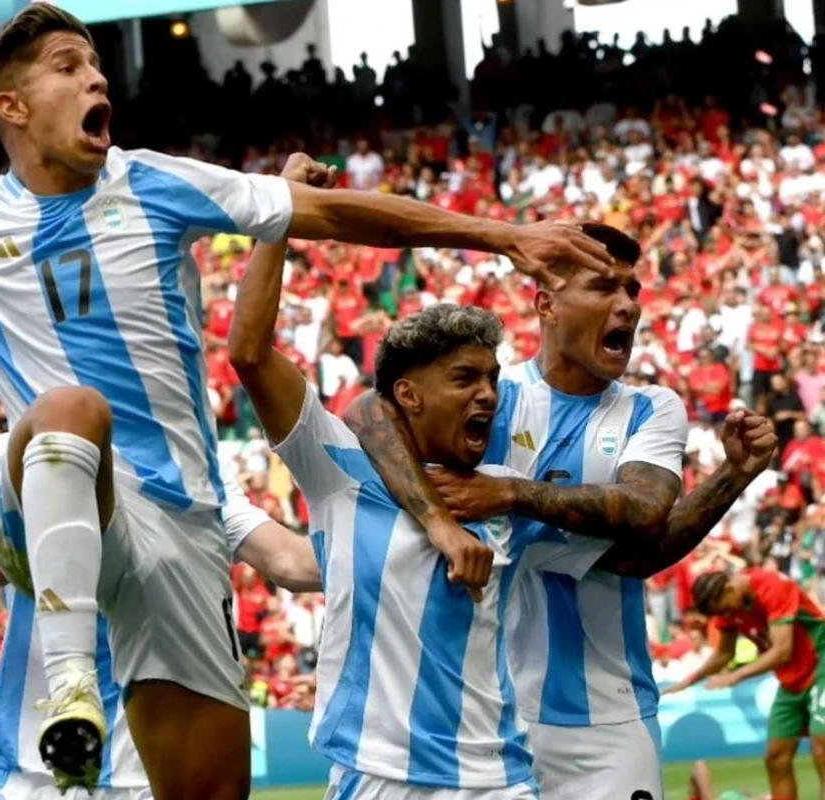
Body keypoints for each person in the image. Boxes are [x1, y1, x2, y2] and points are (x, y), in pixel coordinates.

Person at [0, 5, 613, 794]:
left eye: (97, 61)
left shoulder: (155, 184)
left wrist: (499, 235)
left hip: (185, 526)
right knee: (70, 411)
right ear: (13, 105)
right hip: (62, 495)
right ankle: (69, 684)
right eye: (68, 64)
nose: (96, 76)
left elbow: (324, 212)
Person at [227, 187, 651, 799]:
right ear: (408, 395)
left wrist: (728, 479)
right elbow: (249, 351)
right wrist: (278, 212)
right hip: (379, 777)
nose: (487, 395)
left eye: (492, 379)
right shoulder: (340, 470)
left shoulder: (508, 492)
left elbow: (637, 546)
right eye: (464, 379)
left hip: (499, 781)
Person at [343, 222, 779, 800]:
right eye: (605, 288)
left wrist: (513, 493)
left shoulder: (652, 408)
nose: (626, 306)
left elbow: (646, 523)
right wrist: (437, 521)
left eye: (633, 291)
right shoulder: (491, 397)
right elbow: (370, 412)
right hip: (491, 720)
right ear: (546, 304)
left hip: (611, 714)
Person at [0, 429, 320, 799]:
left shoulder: (190, 464)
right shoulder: (4, 450)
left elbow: (288, 561)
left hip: (143, 772)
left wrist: (375, 555)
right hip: (34, 770)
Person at [667, 568, 825, 800]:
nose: (727, 614)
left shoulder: (772, 586)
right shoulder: (727, 608)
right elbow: (723, 654)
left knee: (821, 746)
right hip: (792, 680)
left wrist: (736, 676)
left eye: (725, 608)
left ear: (729, 589)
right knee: (776, 757)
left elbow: (782, 651)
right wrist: (690, 680)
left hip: (821, 664)